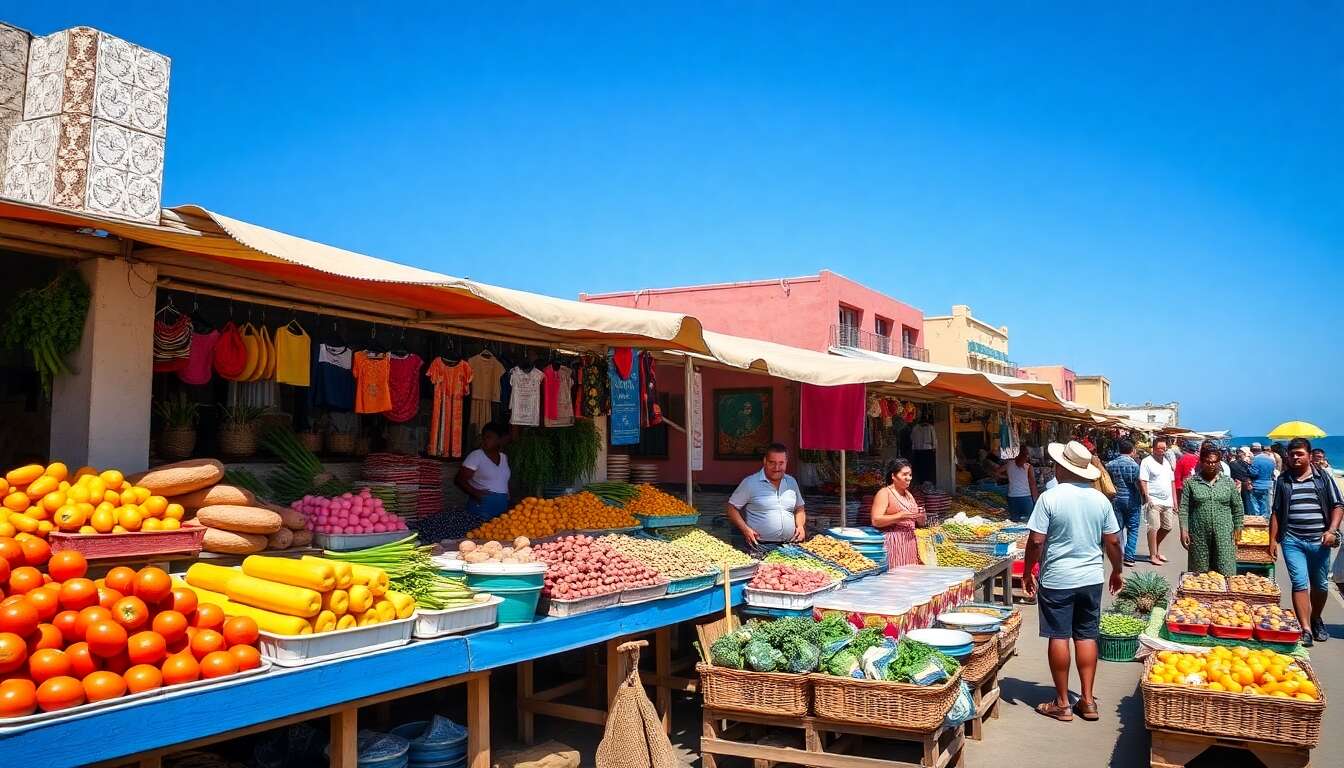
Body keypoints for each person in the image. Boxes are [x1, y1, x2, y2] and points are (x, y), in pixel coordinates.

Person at [1022, 441, 1123, 723]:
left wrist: (1028, 571)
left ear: (1062, 468)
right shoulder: (1100, 500)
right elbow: (1113, 541)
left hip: (1058, 578)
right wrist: (1117, 571)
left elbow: (1036, 541)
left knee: (1059, 636)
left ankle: (1063, 703)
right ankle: (1088, 701)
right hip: (1091, 578)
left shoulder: (1049, 498)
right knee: (1086, 635)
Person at [1270, 438, 1344, 646]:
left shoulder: (1322, 478)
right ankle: (1306, 629)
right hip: (1292, 540)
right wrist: (1272, 540)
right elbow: (1276, 511)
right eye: (1292, 454)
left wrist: (1332, 531)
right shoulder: (1283, 480)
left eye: (1300, 454)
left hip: (1320, 541)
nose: (1295, 457)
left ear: (1309, 456)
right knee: (1299, 582)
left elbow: (1338, 505)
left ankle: (1316, 618)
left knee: (1320, 585)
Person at [727, 442, 807, 556]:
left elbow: (799, 508)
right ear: (765, 461)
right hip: (760, 546)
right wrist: (745, 529)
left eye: (781, 463)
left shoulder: (791, 482)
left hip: (790, 546)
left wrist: (800, 526)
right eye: (772, 462)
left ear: (786, 462)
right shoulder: (750, 483)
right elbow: (731, 508)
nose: (777, 468)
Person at [1178, 445, 1244, 575]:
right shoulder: (1192, 483)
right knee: (1199, 574)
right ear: (1202, 462)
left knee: (1225, 570)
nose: (1212, 465)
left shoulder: (1228, 483)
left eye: (1215, 462)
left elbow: (1238, 507)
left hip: (1224, 534)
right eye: (1208, 462)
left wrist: (1238, 530)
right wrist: (1183, 530)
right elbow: (1184, 508)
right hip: (1199, 534)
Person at [870, 458, 925, 567]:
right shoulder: (884, 493)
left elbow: (920, 523)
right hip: (894, 544)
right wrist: (899, 517)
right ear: (893, 476)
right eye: (904, 474)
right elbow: (875, 520)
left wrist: (921, 517)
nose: (908, 478)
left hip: (910, 544)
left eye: (910, 475)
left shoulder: (909, 495)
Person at [455, 422, 512, 523]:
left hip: (501, 508)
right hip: (482, 507)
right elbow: (459, 480)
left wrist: (507, 496)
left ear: (500, 440)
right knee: (478, 531)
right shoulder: (476, 456)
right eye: (483, 437)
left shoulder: (504, 457)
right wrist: (475, 493)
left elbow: (502, 481)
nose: (484, 440)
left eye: (489, 437)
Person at [1139, 438, 1177, 564]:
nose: (1162, 451)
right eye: (1159, 448)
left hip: (1167, 500)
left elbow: (1172, 482)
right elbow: (1143, 480)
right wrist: (1147, 496)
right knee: (1154, 527)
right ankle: (1153, 555)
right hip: (1154, 500)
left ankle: (1156, 549)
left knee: (1167, 527)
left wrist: (1175, 501)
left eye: (1164, 448)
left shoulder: (1167, 462)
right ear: (1153, 448)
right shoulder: (1147, 461)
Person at [1105, 440, 1142, 566]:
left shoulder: (1110, 464)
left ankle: (1117, 554)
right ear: (1132, 451)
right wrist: (1144, 496)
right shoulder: (1135, 465)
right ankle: (1129, 557)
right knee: (1133, 528)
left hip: (1116, 498)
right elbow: (1138, 483)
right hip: (1132, 499)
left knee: (1117, 528)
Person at [996, 451, 1038, 522]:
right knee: (1028, 521)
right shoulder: (1028, 466)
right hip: (1025, 496)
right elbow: (1033, 483)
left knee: (1015, 521)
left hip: (1012, 497)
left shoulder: (1009, 464)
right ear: (1026, 456)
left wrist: (1007, 477)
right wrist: (1035, 499)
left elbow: (997, 472)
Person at [1248, 443, 1276, 517]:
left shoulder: (1254, 460)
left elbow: (1254, 473)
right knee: (1266, 507)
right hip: (1268, 485)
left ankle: (1257, 522)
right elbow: (1272, 473)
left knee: (1255, 508)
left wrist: (1248, 468)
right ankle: (1266, 522)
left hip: (1256, 485)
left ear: (1252, 450)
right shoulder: (1271, 459)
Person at [1229, 446, 1253, 513]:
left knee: (1241, 501)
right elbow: (1250, 472)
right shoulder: (1246, 463)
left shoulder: (1232, 464)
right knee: (1247, 501)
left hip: (1238, 483)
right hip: (1245, 483)